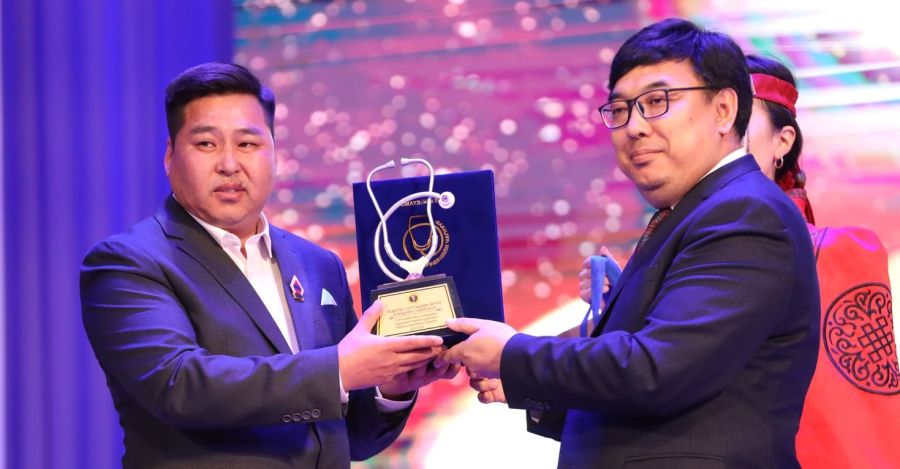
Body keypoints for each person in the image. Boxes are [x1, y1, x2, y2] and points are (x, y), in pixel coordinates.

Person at [437, 18, 820, 468]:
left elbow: (658, 371)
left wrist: (514, 355)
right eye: (619, 110)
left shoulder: (745, 211)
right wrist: (526, 381)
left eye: (657, 102)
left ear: (723, 109)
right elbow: (657, 397)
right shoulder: (692, 212)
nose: (634, 126)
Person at [80, 63, 458, 468]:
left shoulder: (318, 264)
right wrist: (339, 370)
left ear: (275, 153)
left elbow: (349, 438)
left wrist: (390, 387)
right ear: (170, 156)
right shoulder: (127, 263)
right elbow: (180, 386)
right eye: (206, 144)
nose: (229, 164)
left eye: (247, 144)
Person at [745, 54, 900, 468]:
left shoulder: (839, 255)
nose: (721, 136)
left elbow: (864, 424)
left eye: (738, 118)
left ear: (782, 141)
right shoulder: (662, 256)